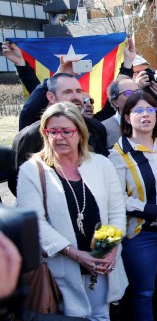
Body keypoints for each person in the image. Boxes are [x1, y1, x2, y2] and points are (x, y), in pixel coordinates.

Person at [15, 102, 128, 319]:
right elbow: (34, 222)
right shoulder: (32, 170)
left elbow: (116, 212)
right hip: (62, 269)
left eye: (66, 131)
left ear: (80, 133)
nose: (59, 137)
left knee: (100, 315)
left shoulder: (102, 165)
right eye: (52, 132)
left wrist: (111, 250)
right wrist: (76, 255)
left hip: (101, 266)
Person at [108, 92, 157, 320]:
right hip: (140, 235)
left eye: (150, 110)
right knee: (144, 292)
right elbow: (118, 198)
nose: (146, 115)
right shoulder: (118, 154)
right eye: (138, 111)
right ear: (127, 118)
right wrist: (155, 210)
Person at [12, 73, 109, 176]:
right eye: (68, 92)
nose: (76, 97)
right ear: (51, 97)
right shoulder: (30, 136)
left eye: (78, 91)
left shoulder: (96, 128)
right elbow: (18, 180)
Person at [102, 77, 141, 147]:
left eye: (137, 92)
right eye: (128, 93)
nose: (135, 96)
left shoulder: (150, 120)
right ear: (115, 102)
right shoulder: (104, 128)